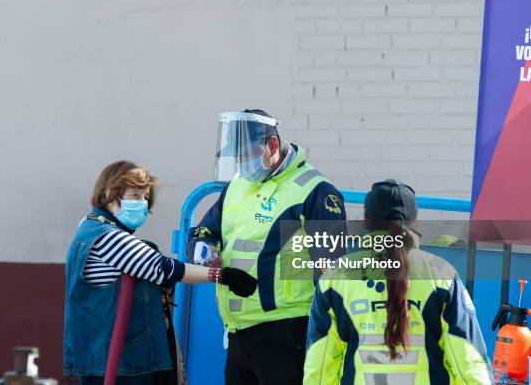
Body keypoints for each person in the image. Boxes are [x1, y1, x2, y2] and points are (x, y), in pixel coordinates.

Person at [185, 110, 347, 385]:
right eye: (237, 156)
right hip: (239, 330)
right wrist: (202, 248)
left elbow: (332, 270)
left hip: (288, 330)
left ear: (273, 145)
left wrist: (328, 335)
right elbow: (204, 230)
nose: (241, 163)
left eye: (246, 154)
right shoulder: (238, 186)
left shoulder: (315, 190)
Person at [64, 160, 258, 385]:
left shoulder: (88, 228)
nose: (142, 203)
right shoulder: (108, 237)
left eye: (145, 197)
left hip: (108, 356)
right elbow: (163, 268)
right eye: (135, 196)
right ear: (110, 194)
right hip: (120, 363)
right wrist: (223, 276)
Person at [304, 179, 492, 384]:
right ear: (415, 222)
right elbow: (469, 362)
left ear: (366, 221)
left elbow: (320, 366)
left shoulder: (335, 277)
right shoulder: (442, 274)